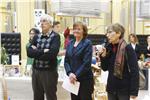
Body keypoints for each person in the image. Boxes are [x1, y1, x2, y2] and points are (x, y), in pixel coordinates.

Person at [99, 23, 139, 100]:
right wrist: (103, 57)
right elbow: (104, 68)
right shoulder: (108, 47)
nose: (107, 35)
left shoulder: (128, 48)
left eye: (110, 32)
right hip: (111, 88)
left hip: (124, 89)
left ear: (118, 33)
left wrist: (134, 92)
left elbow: (134, 71)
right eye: (107, 33)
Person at [27, 14, 60, 100]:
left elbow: (52, 54)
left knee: (51, 96)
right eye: (41, 21)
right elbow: (29, 53)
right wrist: (43, 51)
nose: (42, 23)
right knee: (37, 97)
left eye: (44, 21)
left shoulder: (55, 37)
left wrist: (36, 52)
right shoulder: (36, 36)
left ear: (50, 24)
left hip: (49, 72)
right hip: (36, 71)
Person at [64, 22, 94, 100]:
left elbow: (86, 63)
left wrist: (75, 75)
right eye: (74, 29)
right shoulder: (70, 43)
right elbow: (66, 60)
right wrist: (70, 73)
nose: (76, 31)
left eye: (79, 29)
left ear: (84, 31)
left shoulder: (87, 43)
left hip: (85, 80)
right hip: (72, 80)